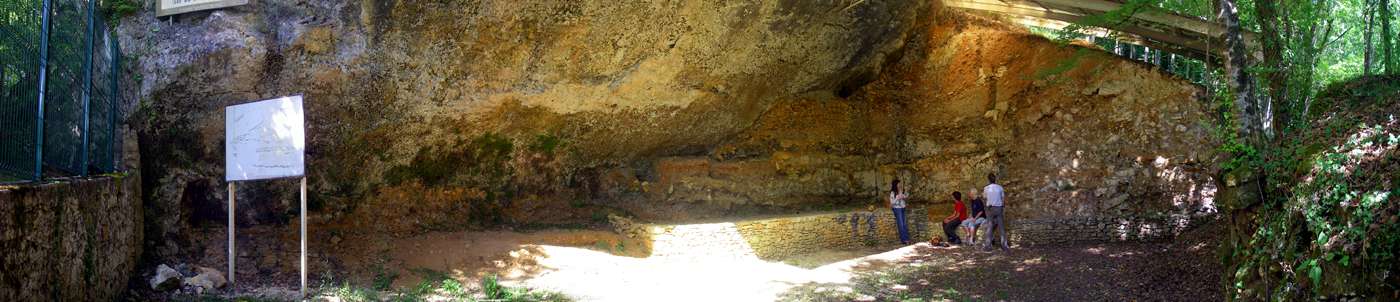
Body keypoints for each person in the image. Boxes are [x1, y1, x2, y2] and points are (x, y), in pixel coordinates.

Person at [982, 173, 1009, 251]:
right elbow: (1003, 200)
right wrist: (1002, 207)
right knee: (1001, 227)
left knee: (989, 227)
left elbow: (984, 198)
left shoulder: (986, 188)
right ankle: (1004, 245)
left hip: (990, 208)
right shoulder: (1000, 188)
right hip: (999, 208)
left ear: (988, 179)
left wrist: (987, 207)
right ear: (995, 179)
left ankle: (988, 246)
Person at [889, 179, 911, 245]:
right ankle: (904, 240)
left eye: (900, 184)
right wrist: (897, 198)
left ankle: (907, 239)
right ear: (895, 185)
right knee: (901, 224)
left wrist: (906, 193)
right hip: (897, 209)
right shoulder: (893, 192)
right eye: (899, 184)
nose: (900, 185)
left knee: (904, 224)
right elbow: (892, 202)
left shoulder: (902, 190)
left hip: (903, 208)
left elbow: (906, 196)